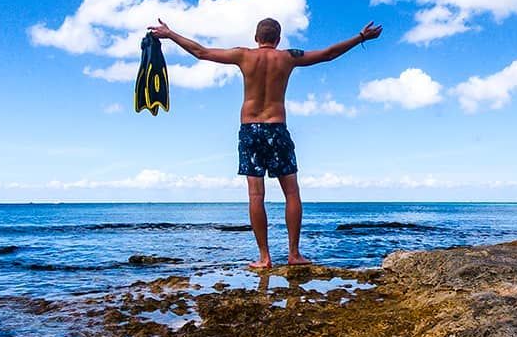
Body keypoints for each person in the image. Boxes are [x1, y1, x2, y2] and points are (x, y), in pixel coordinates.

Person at [149, 16, 382, 269]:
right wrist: (360, 37)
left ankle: (264, 258)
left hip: (250, 130)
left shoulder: (243, 55)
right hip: (277, 129)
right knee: (291, 192)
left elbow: (201, 52)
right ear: (278, 39)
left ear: (256, 38)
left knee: (255, 195)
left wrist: (170, 34)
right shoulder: (287, 57)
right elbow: (328, 54)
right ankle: (294, 254)